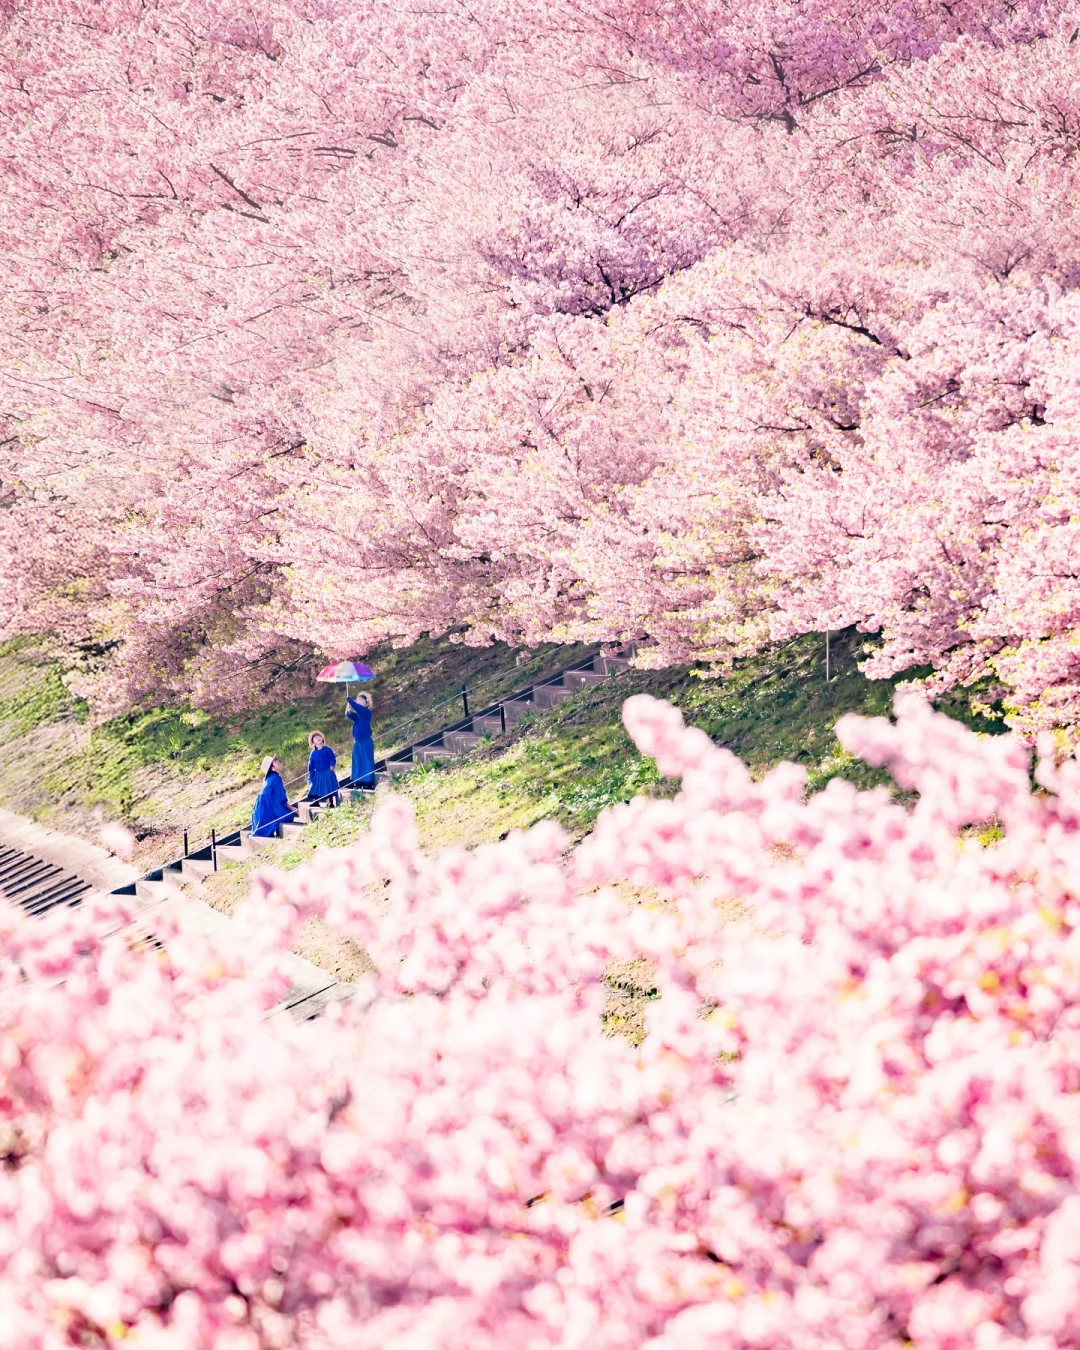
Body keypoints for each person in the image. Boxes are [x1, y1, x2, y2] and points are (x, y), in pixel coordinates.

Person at [250, 756, 297, 838]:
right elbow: (281, 798)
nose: (278, 762)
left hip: (261, 808)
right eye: (275, 761)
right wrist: (293, 809)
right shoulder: (276, 778)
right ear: (272, 768)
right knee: (289, 815)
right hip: (268, 808)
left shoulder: (268, 778)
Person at [345, 691, 376, 788]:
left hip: (366, 742)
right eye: (357, 700)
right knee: (358, 762)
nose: (358, 702)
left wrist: (351, 701)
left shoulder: (366, 713)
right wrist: (348, 707)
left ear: (367, 703)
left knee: (367, 762)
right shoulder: (358, 715)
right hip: (358, 743)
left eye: (361, 700)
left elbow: (359, 708)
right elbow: (349, 715)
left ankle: (368, 781)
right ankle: (358, 781)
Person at [306, 731, 339, 806]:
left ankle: (331, 802)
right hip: (318, 773)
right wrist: (311, 774)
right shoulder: (313, 753)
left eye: (319, 737)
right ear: (313, 742)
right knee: (316, 787)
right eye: (315, 738)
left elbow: (332, 758)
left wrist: (332, 765)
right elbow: (311, 765)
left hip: (327, 771)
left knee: (329, 786)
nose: (318, 738)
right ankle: (316, 802)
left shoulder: (327, 749)